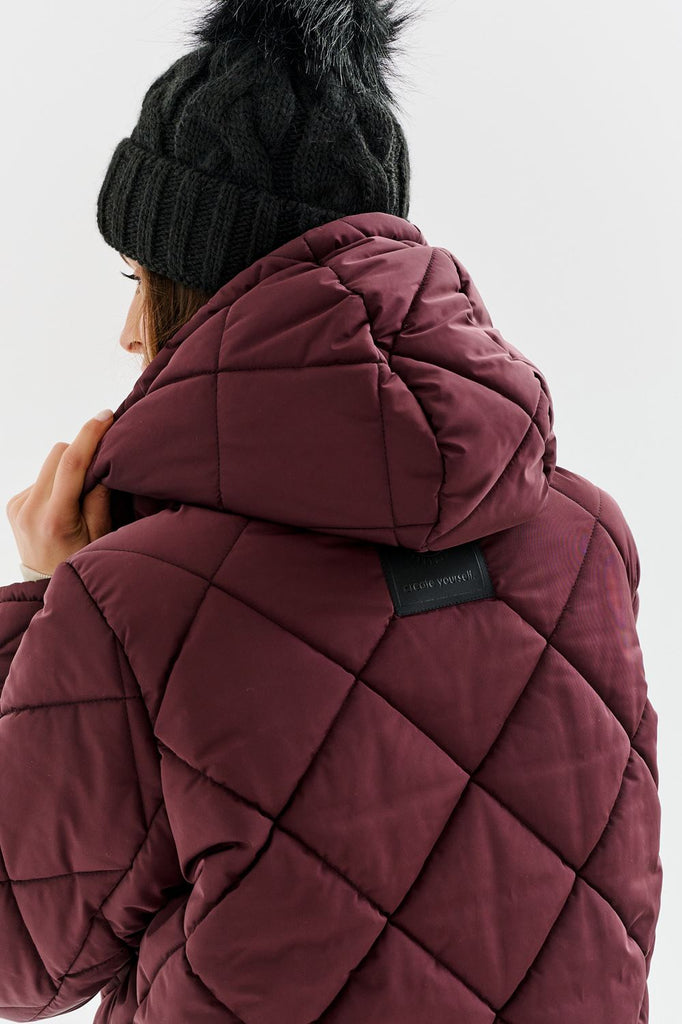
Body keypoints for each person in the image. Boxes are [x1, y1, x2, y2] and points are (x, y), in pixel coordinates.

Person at [0, 1, 662, 1021]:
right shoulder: (585, 538)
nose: (130, 332)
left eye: (142, 281)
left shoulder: (133, 603)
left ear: (211, 293)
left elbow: (19, 956)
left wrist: (46, 598)